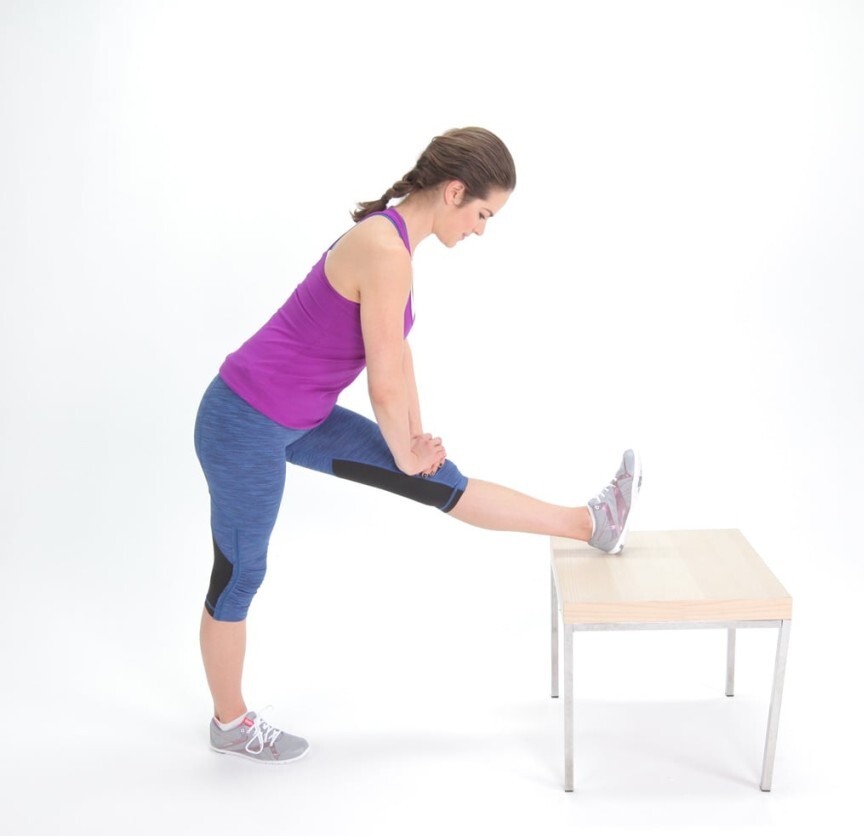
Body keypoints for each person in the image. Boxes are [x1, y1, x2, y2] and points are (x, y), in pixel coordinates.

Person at [194, 127, 641, 764]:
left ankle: (592, 523)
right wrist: (405, 451)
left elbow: (398, 356)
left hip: (302, 416)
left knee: (440, 478)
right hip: (244, 420)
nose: (481, 230)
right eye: (483, 214)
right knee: (241, 573)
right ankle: (230, 722)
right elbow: (381, 381)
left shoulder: (394, 243)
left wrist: (415, 440)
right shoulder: (385, 250)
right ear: (455, 191)